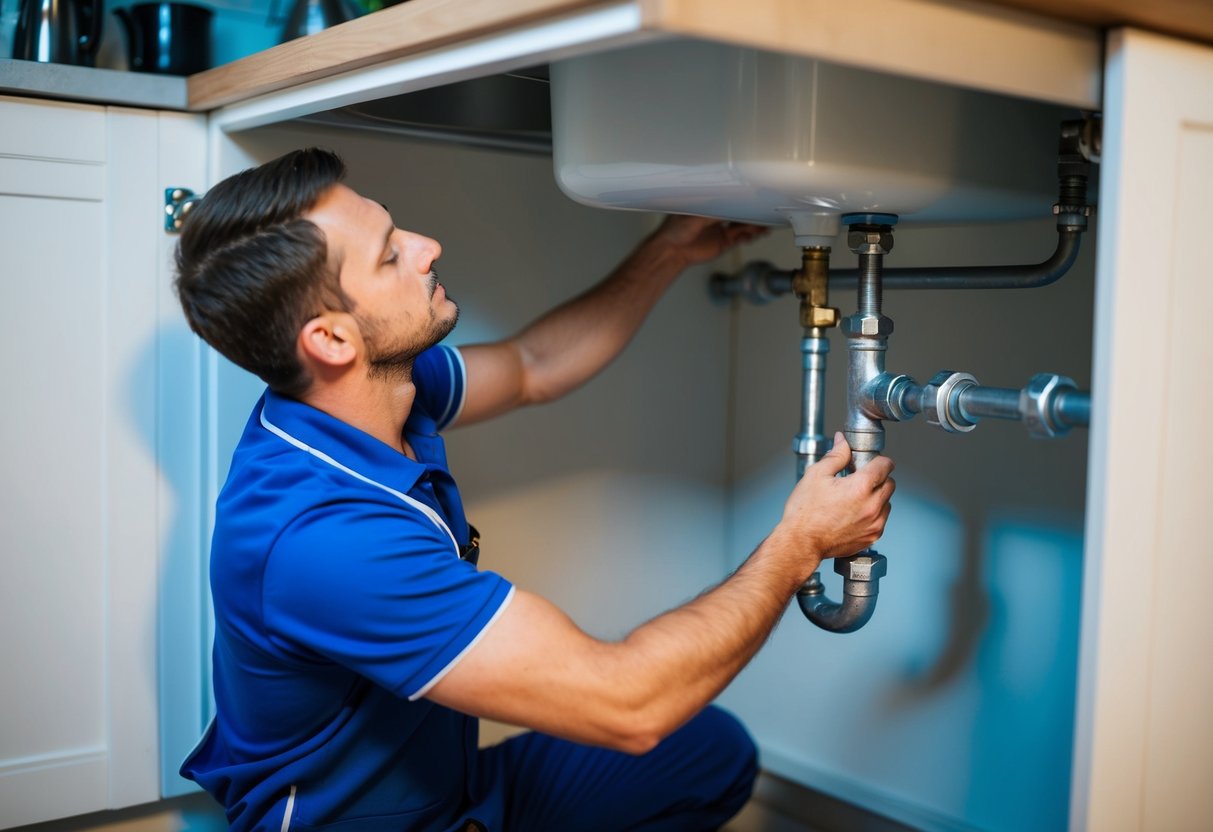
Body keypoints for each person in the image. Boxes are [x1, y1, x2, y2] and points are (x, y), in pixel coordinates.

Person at [174, 147, 895, 832]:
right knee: (651, 715)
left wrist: (669, 247)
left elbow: (533, 364)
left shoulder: (366, 391)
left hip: (455, 795)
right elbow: (628, 704)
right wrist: (797, 543)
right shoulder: (325, 543)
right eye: (391, 254)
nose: (426, 247)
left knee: (706, 754)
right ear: (331, 341)